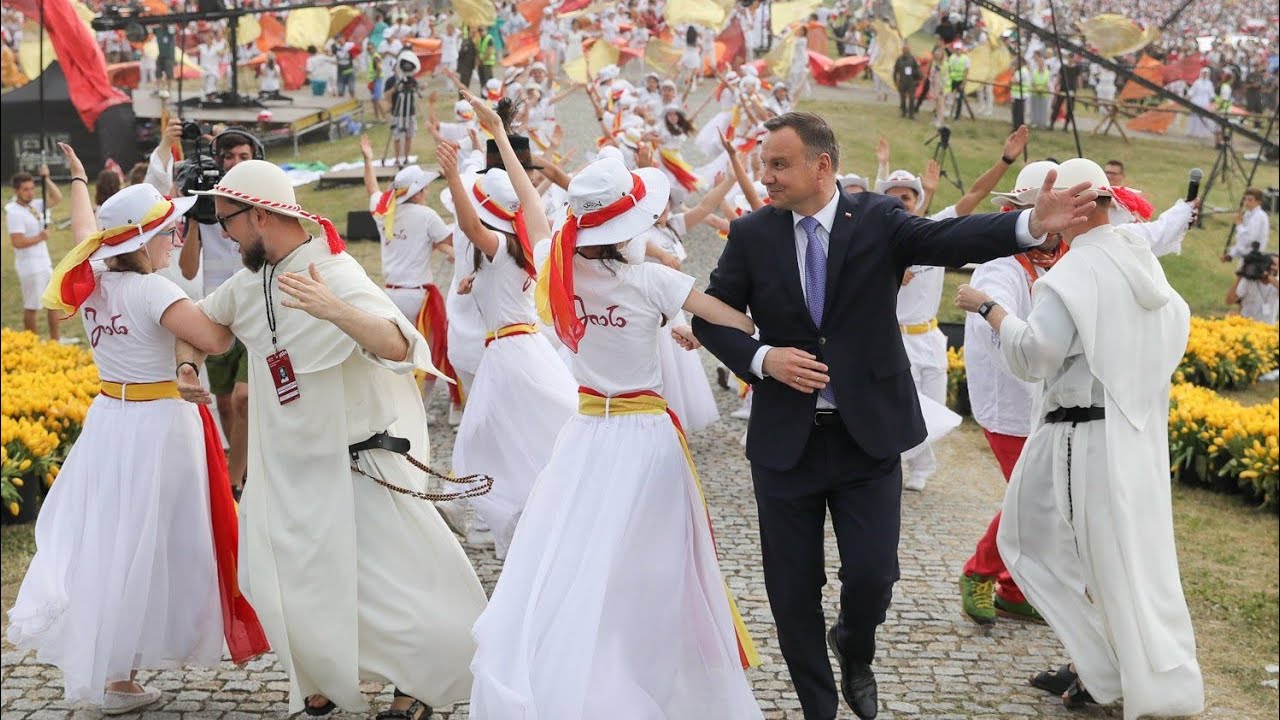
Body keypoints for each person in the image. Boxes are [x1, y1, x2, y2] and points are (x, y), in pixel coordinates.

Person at [690, 111, 1097, 720]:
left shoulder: (877, 219)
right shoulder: (754, 234)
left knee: (874, 577)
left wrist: (1032, 223)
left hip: (867, 439)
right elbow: (710, 315)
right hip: (785, 445)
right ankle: (818, 708)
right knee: (791, 592)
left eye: (778, 164)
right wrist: (762, 357)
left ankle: (855, 645)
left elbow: (949, 239)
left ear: (821, 165)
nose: (765, 176)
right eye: (763, 165)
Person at [176, 160, 487, 719]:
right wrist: (185, 363)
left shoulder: (333, 271)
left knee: (398, 587)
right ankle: (321, 678)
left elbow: (398, 344)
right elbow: (202, 327)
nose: (224, 232)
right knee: (289, 581)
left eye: (228, 221)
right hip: (292, 470)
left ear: (263, 215)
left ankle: (413, 686)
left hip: (358, 464)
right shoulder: (251, 280)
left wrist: (336, 311)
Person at [469, 140, 763, 720]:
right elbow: (740, 321)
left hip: (584, 434)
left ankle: (582, 662)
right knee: (652, 563)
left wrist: (502, 139)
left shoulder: (558, 263)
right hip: (645, 437)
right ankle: (638, 671)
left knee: (576, 552)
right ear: (633, 222)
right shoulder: (653, 282)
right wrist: (698, 330)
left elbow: (532, 208)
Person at [7, 145, 267, 715]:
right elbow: (217, 340)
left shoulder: (94, 278)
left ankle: (116, 668)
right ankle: (123, 670)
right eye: (168, 232)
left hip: (109, 422)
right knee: (154, 544)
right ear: (140, 242)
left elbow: (85, 231)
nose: (175, 239)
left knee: (117, 538)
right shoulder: (154, 290)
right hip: (160, 425)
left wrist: (79, 178)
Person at [956, 157, 1204, 718]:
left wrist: (990, 309)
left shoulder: (1072, 274)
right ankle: (1116, 672)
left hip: (1079, 432)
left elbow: (1034, 357)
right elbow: (1175, 325)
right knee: (1131, 560)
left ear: (1077, 209)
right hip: (1131, 430)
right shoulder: (1139, 259)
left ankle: (1109, 673)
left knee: (1037, 546)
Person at [439, 109, 576, 561]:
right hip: (525, 345)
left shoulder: (497, 246)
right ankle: (492, 510)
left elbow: (469, 227)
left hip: (510, 352)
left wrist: (453, 179)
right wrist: (470, 283)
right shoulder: (526, 245)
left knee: (483, 434)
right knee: (499, 432)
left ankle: (483, 509)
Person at [148, 125, 263, 498]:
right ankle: (244, 465)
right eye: (228, 157)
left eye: (243, 157)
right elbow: (186, 269)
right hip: (218, 311)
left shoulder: (260, 198)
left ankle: (236, 474)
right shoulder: (205, 202)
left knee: (245, 398)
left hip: (256, 310)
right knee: (226, 403)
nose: (234, 163)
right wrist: (198, 215)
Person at [7, 166, 65, 342]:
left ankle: (55, 340)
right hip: (30, 266)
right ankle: (32, 343)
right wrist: (40, 237)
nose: (30, 193)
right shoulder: (14, 212)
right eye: (25, 189)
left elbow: (57, 197)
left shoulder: (35, 205)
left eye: (32, 188)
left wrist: (46, 178)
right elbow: (17, 241)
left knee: (53, 302)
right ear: (16, 191)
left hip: (44, 262)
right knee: (32, 306)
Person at [1227, 252, 1279, 324]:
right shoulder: (1249, 280)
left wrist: (1268, 277)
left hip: (1267, 330)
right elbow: (1229, 301)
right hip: (1246, 326)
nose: (1273, 267)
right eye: (1271, 263)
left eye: (1277, 265)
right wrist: (1240, 276)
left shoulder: (1276, 282)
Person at [1223, 187, 1270, 264]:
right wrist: (1231, 255)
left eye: (1250, 200)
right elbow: (1242, 241)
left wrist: (1239, 224)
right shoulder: (1248, 214)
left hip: (1254, 259)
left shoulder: (1259, 216)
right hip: (1245, 258)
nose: (1246, 202)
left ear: (1259, 202)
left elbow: (1249, 238)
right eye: (1245, 199)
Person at [892, 43, 920, 120]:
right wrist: (895, 80)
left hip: (911, 82)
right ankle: (904, 112)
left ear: (909, 50)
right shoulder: (899, 59)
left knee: (911, 98)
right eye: (904, 49)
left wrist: (917, 80)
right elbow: (895, 71)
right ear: (902, 50)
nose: (905, 50)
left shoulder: (913, 59)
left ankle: (911, 114)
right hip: (902, 82)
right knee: (902, 98)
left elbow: (917, 70)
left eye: (907, 49)